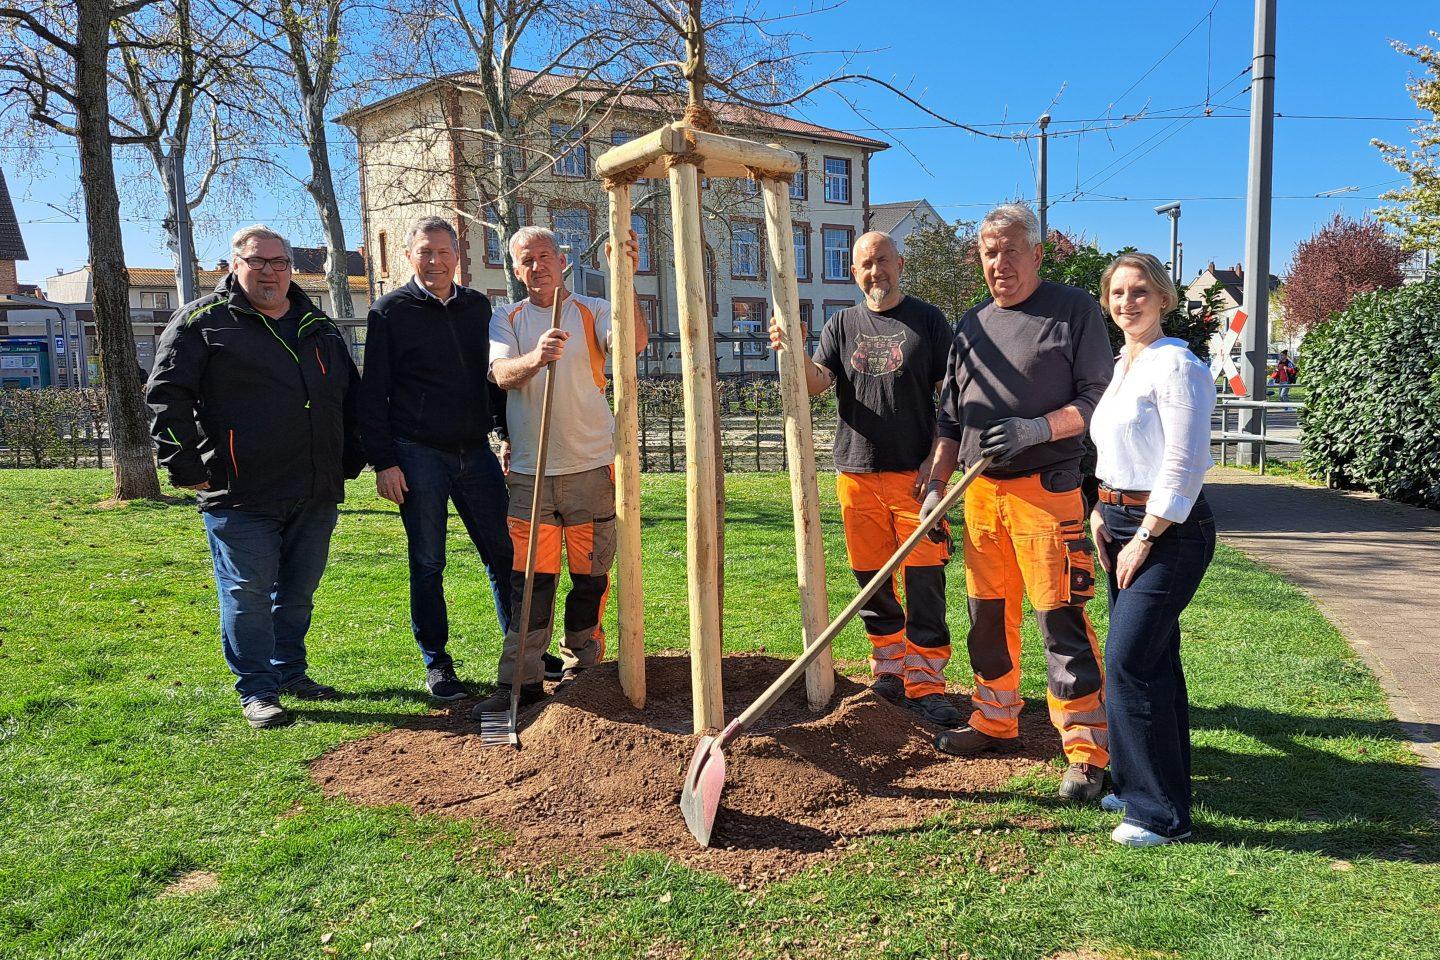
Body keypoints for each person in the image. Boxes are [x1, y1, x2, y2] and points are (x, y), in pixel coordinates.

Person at [925, 203, 1114, 803]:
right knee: (987, 613)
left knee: (1060, 617)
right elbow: (950, 420)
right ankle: (994, 718)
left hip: (1045, 493)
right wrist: (935, 485)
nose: (998, 262)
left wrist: (1039, 428)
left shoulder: (1073, 311)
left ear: (1037, 253)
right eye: (988, 251)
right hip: (979, 495)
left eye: (1010, 249)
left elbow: (1098, 397)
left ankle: (1087, 748)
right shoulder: (972, 324)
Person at [147, 224, 365, 729]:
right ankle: (258, 689)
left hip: (314, 487)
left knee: (297, 591)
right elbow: (166, 396)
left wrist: (351, 457)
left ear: (291, 268)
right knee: (246, 593)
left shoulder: (319, 326)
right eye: (257, 261)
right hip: (239, 490)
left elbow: (351, 398)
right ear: (233, 265)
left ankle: (290, 672)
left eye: (279, 263)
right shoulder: (201, 323)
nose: (269, 271)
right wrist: (184, 466)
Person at [768, 231, 959, 726]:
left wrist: (936, 467)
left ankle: (927, 682)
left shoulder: (928, 321)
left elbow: (952, 401)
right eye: (865, 265)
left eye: (883, 261)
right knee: (872, 584)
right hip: (856, 473)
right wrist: (791, 350)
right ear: (854, 273)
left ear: (900, 263)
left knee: (924, 585)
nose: (876, 272)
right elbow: (814, 385)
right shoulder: (842, 324)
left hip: (915, 480)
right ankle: (889, 670)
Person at [470, 227, 647, 719]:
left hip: (591, 466)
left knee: (590, 578)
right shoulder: (506, 316)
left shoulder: (592, 309)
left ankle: (583, 671)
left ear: (562, 260)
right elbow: (501, 374)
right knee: (530, 582)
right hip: (531, 474)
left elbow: (631, 344)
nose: (537, 267)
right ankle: (520, 682)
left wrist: (625, 278)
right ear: (516, 268)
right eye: (526, 260)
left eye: (545, 256)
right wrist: (537, 356)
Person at [359, 216, 522, 702]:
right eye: (426, 252)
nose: (436, 261)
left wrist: (507, 434)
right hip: (417, 454)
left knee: (504, 554)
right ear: (409, 256)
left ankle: (521, 654)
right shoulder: (389, 311)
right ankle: (437, 663)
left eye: (444, 251)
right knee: (428, 561)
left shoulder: (479, 309)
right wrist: (384, 462)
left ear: (459, 256)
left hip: (476, 453)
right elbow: (373, 395)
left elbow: (491, 380)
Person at [1089, 252, 1216, 847]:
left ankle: (1158, 816)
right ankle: (1140, 783)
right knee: (1155, 662)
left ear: (1163, 297)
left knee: (1129, 660)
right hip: (1115, 518)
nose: (1127, 302)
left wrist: (1145, 535)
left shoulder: (1178, 365)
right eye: (1117, 293)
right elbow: (1115, 448)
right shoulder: (1123, 364)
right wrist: (1099, 507)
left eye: (1139, 291)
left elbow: (1185, 462)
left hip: (1168, 528)